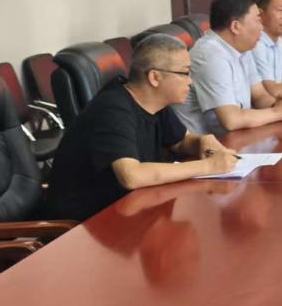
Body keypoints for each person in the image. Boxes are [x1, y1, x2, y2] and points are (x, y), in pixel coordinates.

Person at [44, 34, 237, 221]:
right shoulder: (112, 109)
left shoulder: (154, 102)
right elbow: (131, 175)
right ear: (155, 77)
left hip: (129, 208)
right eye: (185, 73)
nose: (190, 81)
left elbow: (180, 141)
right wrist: (208, 166)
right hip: (86, 224)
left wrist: (202, 141)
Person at [174, 0, 282, 135]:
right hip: (206, 144)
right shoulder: (210, 54)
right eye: (258, 20)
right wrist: (278, 112)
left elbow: (260, 96)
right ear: (235, 26)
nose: (262, 27)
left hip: (237, 137)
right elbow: (232, 120)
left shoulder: (243, 49)